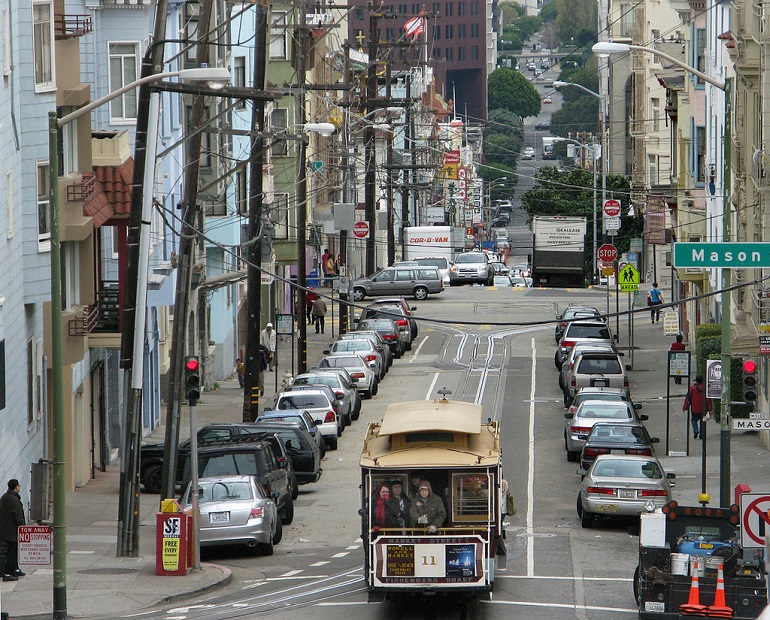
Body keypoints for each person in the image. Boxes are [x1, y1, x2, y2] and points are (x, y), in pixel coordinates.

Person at [0, 479, 25, 581]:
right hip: (11, 531)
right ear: (16, 487)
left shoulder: (5, 497)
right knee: (11, 552)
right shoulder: (13, 499)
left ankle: (14, 569)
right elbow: (17, 516)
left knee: (9, 552)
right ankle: (8, 572)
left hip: (5, 530)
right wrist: (22, 526)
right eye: (19, 485)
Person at [683, 375, 712, 439]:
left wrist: (685, 407)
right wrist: (710, 409)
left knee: (693, 420)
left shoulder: (692, 388)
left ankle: (696, 430)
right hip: (703, 409)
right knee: (702, 421)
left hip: (694, 408)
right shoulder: (705, 389)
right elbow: (708, 400)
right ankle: (701, 435)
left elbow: (688, 398)